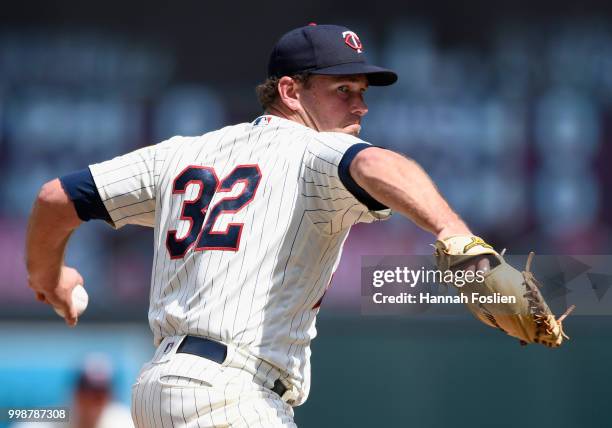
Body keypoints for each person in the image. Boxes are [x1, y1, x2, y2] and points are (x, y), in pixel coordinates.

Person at [25, 24, 480, 427]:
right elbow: (377, 163)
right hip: (230, 394)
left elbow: (56, 198)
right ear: (289, 91)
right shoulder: (314, 151)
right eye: (343, 90)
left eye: (363, 92)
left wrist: (49, 277)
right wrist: (455, 234)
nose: (360, 107)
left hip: (161, 387)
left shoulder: (180, 153)